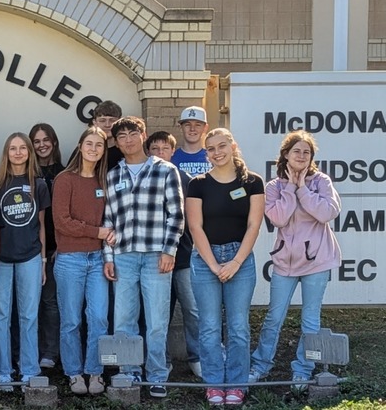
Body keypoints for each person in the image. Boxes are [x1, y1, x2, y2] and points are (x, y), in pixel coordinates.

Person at [249, 131, 342, 391]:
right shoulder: (274, 186)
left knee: (310, 319)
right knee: (274, 317)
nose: (301, 156)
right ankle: (260, 366)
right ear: (286, 155)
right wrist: (290, 188)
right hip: (284, 264)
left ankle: (303, 369)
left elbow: (326, 213)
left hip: (317, 262)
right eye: (296, 151)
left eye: (306, 152)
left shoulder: (321, 181)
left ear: (312, 157)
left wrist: (303, 189)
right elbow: (278, 218)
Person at [102, 116, 184, 398]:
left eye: (132, 133)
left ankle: (157, 374)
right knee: (124, 318)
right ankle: (129, 373)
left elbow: (176, 214)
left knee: (157, 320)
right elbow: (109, 219)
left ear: (143, 134)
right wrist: (108, 256)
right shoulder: (114, 175)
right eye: (121, 135)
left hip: (155, 256)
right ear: (116, 142)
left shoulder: (165, 170)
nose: (127, 139)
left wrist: (168, 250)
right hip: (123, 255)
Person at [185, 128, 263, 406]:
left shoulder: (253, 182)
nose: (217, 152)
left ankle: (237, 385)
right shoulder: (198, 184)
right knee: (208, 326)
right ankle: (214, 384)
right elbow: (195, 226)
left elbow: (254, 225)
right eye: (211, 148)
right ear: (206, 153)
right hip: (206, 260)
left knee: (239, 326)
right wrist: (214, 265)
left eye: (221, 146)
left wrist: (235, 262)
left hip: (239, 258)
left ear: (233, 146)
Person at [53, 127, 112, 395]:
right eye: (89, 143)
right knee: (71, 320)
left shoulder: (104, 181)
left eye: (99, 145)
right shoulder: (65, 179)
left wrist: (103, 235)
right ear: (80, 146)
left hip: (99, 258)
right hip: (70, 259)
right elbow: (61, 222)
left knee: (99, 317)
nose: (93, 149)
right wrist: (95, 232)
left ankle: (95, 372)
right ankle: (74, 373)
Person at [0, 133, 50, 390]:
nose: (17, 152)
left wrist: (44, 260)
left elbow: (42, 226)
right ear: (6, 153)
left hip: (31, 257)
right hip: (1, 259)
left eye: (22, 148)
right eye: (12, 148)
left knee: (28, 315)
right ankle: (3, 371)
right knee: (0, 315)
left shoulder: (39, 184)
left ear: (29, 152)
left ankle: (29, 369)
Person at [146, 131, 202, 379]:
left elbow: (195, 221)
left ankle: (197, 357)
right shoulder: (144, 179)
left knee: (193, 310)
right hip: (154, 260)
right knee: (159, 315)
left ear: (173, 151)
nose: (160, 153)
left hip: (184, 257)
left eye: (164, 149)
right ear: (149, 152)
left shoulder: (186, 179)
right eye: (155, 149)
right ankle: (163, 361)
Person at [30, 122, 64, 369]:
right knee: (29, 304)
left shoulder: (64, 174)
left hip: (55, 248)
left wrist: (61, 245)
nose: (42, 145)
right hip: (29, 249)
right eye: (37, 141)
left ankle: (50, 353)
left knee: (50, 302)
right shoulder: (26, 177)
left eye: (46, 140)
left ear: (53, 142)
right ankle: (28, 351)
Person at [68, 100, 124, 166]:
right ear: (95, 123)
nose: (107, 125)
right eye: (102, 120)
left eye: (112, 120)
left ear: (120, 122)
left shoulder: (125, 148)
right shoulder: (84, 150)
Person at [171, 106, 211, 176]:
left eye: (198, 125)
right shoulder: (171, 157)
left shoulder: (212, 157)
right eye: (187, 125)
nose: (192, 129)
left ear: (205, 128)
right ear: (180, 128)